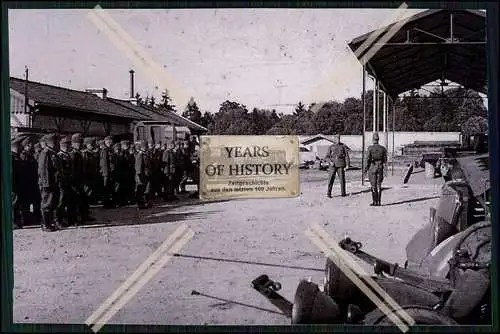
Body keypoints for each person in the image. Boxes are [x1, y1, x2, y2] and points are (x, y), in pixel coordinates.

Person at [38, 133, 60, 232]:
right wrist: (46, 183)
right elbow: (43, 169)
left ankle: (50, 222)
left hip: (53, 182)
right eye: (55, 142)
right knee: (46, 203)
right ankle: (45, 224)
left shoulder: (53, 153)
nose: (57, 144)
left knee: (52, 203)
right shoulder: (45, 152)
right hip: (48, 183)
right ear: (51, 142)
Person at [20, 136, 42, 225]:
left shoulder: (31, 155)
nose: (31, 146)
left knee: (36, 200)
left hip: (33, 182)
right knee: (26, 202)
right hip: (27, 183)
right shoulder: (24, 155)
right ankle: (27, 219)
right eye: (29, 144)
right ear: (25, 146)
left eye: (31, 144)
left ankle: (36, 217)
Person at [57, 135, 76, 227]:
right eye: (67, 145)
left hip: (69, 181)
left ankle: (70, 219)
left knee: (70, 201)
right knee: (61, 202)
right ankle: (59, 220)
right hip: (63, 182)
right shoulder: (59, 156)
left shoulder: (68, 155)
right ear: (63, 146)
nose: (69, 147)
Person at [364, 132, 388, 206]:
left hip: (372, 167)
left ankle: (375, 201)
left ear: (373, 139)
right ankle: (379, 201)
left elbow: (367, 159)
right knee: (379, 185)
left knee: (373, 185)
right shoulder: (383, 149)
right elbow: (385, 160)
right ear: (378, 139)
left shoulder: (370, 148)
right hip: (380, 167)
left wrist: (365, 169)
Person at [12, 135, 26, 229]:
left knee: (17, 205)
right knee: (13, 204)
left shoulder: (17, 157)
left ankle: (17, 222)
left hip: (19, 185)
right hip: (13, 186)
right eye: (20, 146)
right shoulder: (11, 158)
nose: (22, 148)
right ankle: (12, 223)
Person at [100, 136, 116, 208]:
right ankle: (106, 204)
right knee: (106, 189)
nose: (111, 142)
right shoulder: (105, 150)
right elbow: (104, 163)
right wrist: (106, 174)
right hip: (107, 173)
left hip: (111, 172)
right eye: (109, 141)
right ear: (106, 142)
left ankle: (110, 203)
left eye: (111, 141)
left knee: (110, 188)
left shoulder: (110, 149)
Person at [134, 140, 152, 209]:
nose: (145, 147)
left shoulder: (145, 154)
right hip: (141, 175)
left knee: (147, 189)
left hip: (146, 174)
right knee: (140, 189)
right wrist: (139, 175)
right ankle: (140, 204)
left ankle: (146, 202)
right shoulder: (140, 155)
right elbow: (138, 166)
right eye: (144, 146)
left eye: (146, 146)